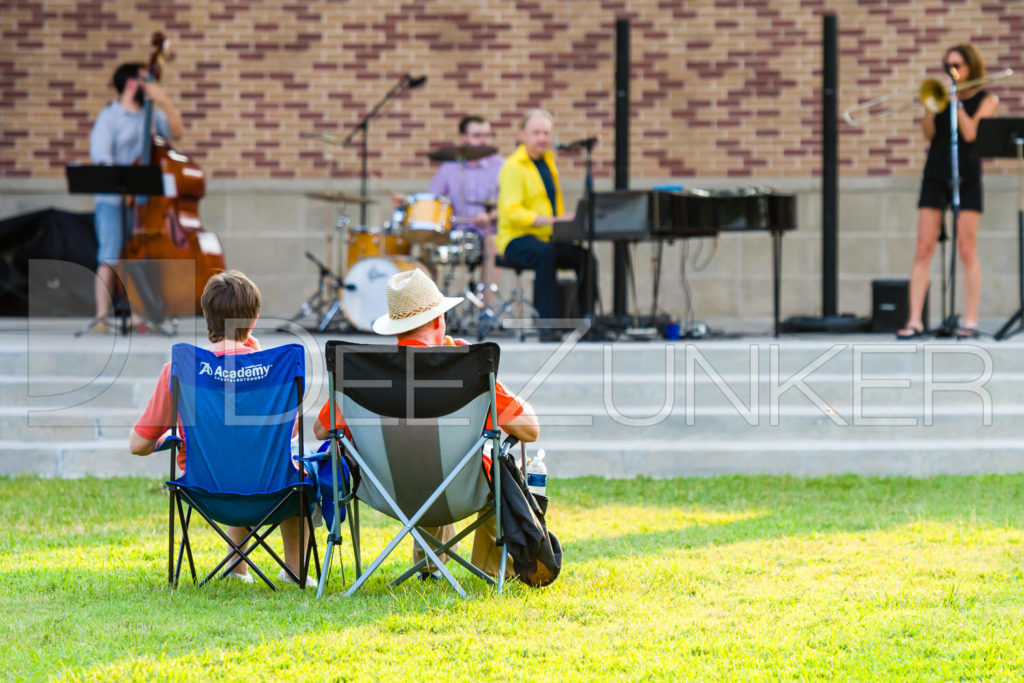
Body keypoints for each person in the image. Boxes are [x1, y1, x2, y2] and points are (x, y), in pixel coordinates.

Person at [313, 269, 540, 578]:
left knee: (422, 461)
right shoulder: (466, 370)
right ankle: (494, 569)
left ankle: (430, 566)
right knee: (491, 467)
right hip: (457, 490)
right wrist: (485, 378)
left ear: (396, 330)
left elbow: (321, 431)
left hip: (385, 492)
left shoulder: (364, 374)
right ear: (438, 321)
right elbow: (530, 429)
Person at [129, 270, 314, 586]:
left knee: (229, 456)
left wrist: (170, 436)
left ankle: (237, 568)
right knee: (293, 471)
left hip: (205, 491)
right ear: (253, 321)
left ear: (206, 317)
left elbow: (138, 445)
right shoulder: (273, 370)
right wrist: (254, 358)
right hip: (274, 494)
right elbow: (291, 433)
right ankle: (294, 571)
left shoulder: (179, 369)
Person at [897, 43, 999, 339]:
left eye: (957, 66)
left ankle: (970, 319)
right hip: (935, 173)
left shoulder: (986, 99)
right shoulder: (940, 98)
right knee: (923, 246)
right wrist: (933, 105)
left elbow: (970, 133)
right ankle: (915, 319)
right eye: (947, 66)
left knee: (967, 248)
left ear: (972, 68)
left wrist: (955, 102)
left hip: (966, 175)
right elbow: (928, 133)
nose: (952, 71)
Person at [89, 62, 185, 329]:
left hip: (147, 204)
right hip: (112, 201)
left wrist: (163, 100)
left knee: (142, 258)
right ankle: (100, 317)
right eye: (146, 79)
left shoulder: (151, 115)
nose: (150, 84)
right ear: (132, 84)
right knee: (109, 256)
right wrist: (125, 187)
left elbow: (177, 132)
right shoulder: (109, 119)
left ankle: (142, 313)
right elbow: (102, 159)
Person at [497, 108, 593, 340]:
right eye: (536, 132)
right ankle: (547, 325)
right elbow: (511, 211)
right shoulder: (513, 166)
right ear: (523, 135)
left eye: (546, 133)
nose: (542, 138)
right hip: (515, 239)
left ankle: (588, 321)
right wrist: (551, 221)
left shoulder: (549, 162)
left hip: (547, 237)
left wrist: (564, 227)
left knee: (584, 257)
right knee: (546, 255)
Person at [427, 115, 503, 302]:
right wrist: (408, 201)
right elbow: (432, 200)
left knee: (492, 243)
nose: (484, 140)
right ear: (464, 138)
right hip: (456, 232)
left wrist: (491, 215)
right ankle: (430, 311)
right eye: (477, 135)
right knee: (426, 243)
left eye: (487, 135)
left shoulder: (502, 165)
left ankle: (487, 310)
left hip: (488, 233)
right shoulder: (449, 167)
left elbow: (511, 205)